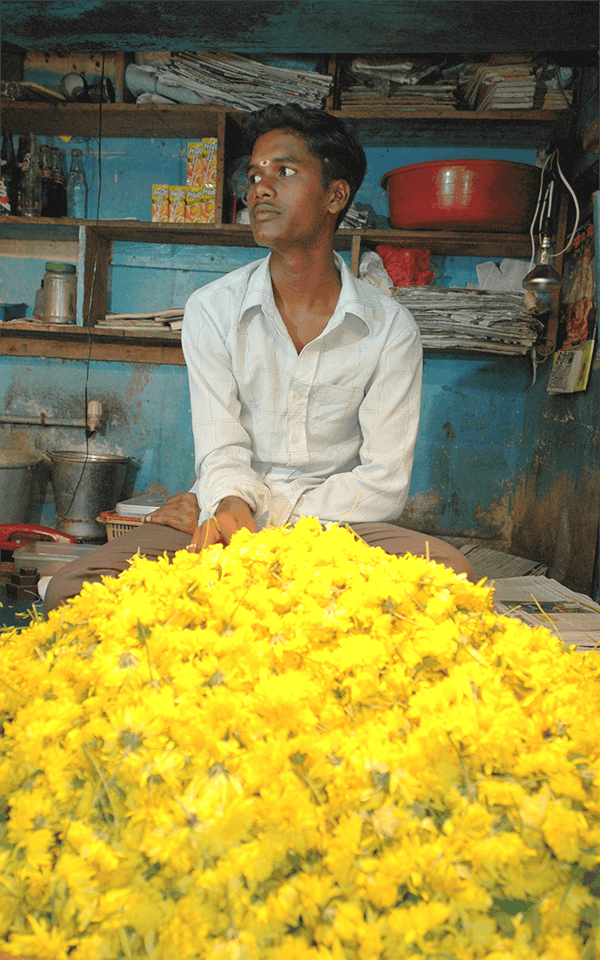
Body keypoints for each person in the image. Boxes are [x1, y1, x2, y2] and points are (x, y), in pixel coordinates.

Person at [44, 104, 474, 614]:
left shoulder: (389, 329)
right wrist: (226, 505)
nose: (260, 189)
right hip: (227, 514)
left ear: (336, 195)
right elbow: (221, 447)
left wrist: (259, 521)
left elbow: (383, 485)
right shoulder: (214, 308)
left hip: (332, 529)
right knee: (73, 589)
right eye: (254, 175)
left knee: (455, 581)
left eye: (284, 172)